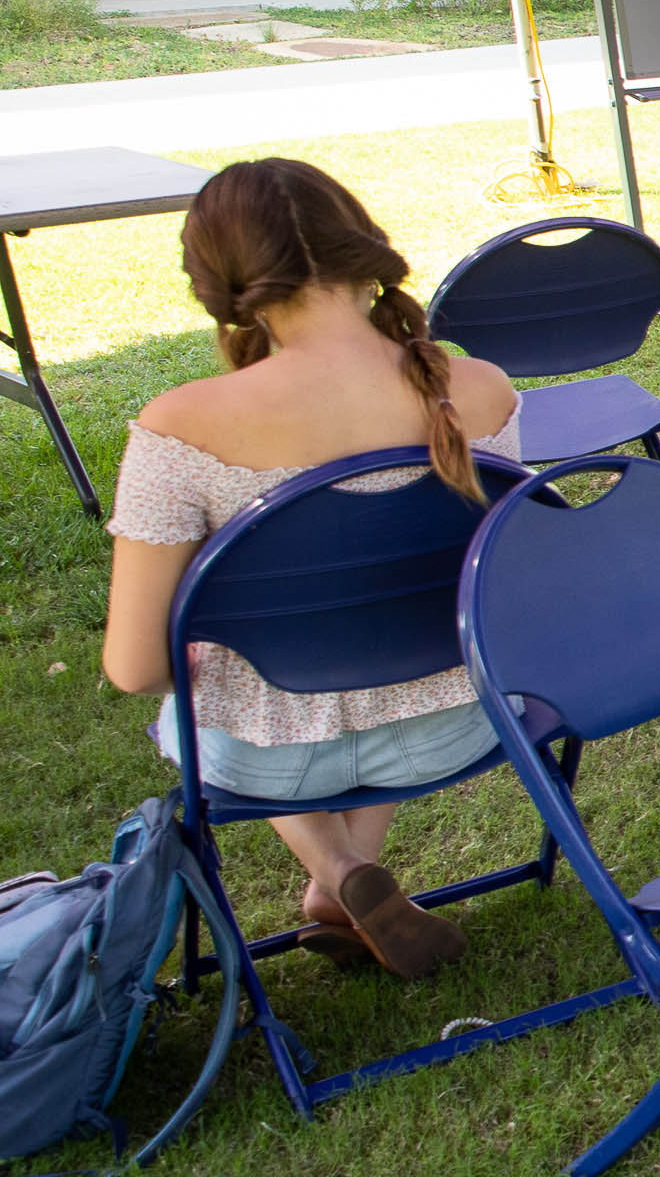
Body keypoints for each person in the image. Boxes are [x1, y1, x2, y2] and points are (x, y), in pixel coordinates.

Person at [97, 160, 523, 982]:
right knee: (376, 636)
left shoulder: (180, 427)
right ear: (363, 249)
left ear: (222, 286)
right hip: (457, 723)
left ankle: (336, 874)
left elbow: (136, 667)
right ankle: (338, 889)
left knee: (203, 685)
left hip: (265, 763)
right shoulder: (481, 389)